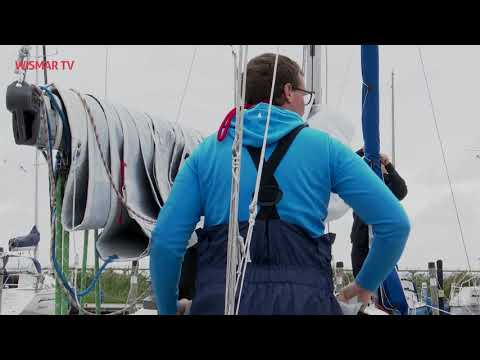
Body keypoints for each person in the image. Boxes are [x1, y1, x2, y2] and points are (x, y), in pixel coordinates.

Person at [150, 53, 410, 315]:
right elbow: (394, 224)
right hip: (306, 306)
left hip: (221, 303)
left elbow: (165, 242)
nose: (304, 104)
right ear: (288, 92)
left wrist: (168, 309)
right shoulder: (327, 149)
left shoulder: (207, 153)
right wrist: (364, 285)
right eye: (303, 94)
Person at [350, 149, 408, 279]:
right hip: (360, 239)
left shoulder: (388, 185)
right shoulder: (359, 182)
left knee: (383, 279)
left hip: (382, 239)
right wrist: (362, 151)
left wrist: (387, 164)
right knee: (360, 277)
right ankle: (365, 299)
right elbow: (345, 163)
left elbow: (402, 191)